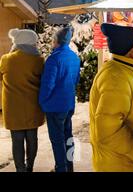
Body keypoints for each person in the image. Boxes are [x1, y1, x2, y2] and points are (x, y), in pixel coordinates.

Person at [89, 24, 133, 172]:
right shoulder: (115, 78)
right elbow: (108, 132)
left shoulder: (126, 71)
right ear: (130, 49)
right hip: (119, 165)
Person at [0, 29, 45, 172]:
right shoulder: (38, 60)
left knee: (17, 140)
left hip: (13, 108)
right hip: (32, 106)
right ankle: (30, 166)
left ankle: (20, 169)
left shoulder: (7, 59)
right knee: (32, 139)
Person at [39, 26, 80, 172]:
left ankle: (61, 168)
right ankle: (69, 166)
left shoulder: (54, 59)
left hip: (55, 106)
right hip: (68, 104)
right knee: (68, 136)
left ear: (56, 41)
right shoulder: (74, 57)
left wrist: (42, 101)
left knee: (57, 139)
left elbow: (48, 84)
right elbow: (76, 80)